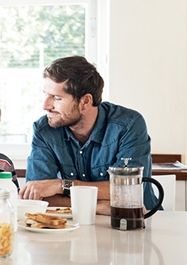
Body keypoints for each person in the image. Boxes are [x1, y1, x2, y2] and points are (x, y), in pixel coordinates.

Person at [18, 55, 158, 215]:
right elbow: (37, 196)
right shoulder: (45, 130)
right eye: (46, 95)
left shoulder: (128, 125)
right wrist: (99, 207)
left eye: (56, 98)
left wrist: (60, 186)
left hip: (137, 222)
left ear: (85, 101)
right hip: (73, 226)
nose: (45, 106)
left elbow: (128, 191)